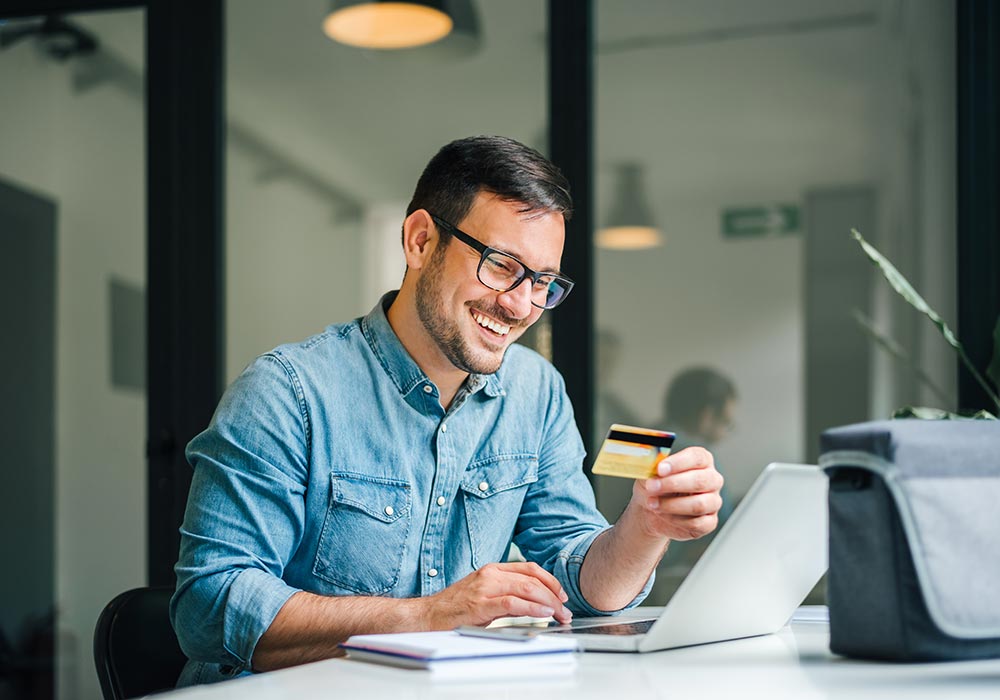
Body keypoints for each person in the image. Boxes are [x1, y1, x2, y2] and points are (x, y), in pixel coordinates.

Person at [170, 136, 723, 685]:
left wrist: (647, 525)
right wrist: (431, 616)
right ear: (419, 241)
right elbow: (211, 605)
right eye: (502, 265)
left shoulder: (537, 392)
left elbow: (579, 580)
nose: (520, 305)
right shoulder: (287, 392)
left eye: (543, 282)